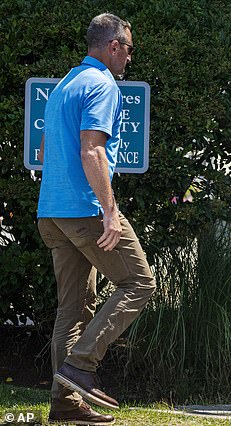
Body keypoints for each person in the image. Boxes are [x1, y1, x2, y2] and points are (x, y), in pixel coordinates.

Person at [37, 13, 155, 425]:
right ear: (113, 46)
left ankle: (65, 405)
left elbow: (42, 153)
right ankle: (80, 366)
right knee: (139, 282)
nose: (129, 58)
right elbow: (92, 151)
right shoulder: (102, 84)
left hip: (51, 212)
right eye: (129, 49)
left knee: (72, 308)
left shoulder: (65, 85)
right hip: (85, 209)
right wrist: (109, 211)